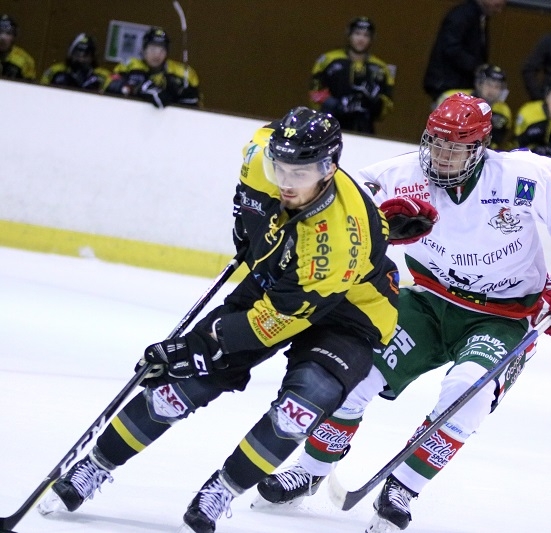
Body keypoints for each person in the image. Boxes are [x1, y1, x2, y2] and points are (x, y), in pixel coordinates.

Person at [36, 107, 401, 533]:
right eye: (279, 167)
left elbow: (276, 319)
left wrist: (195, 345)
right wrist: (247, 232)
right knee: (177, 387)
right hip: (283, 277)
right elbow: (247, 193)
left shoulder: (337, 243)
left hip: (350, 312)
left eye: (298, 173)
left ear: (327, 168)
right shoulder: (259, 152)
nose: (285, 180)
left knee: (299, 408)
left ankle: (223, 490)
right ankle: (95, 465)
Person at [252, 93, 551, 532]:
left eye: (455, 147)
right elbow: (337, 206)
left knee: (465, 393)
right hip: (427, 300)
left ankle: (403, 485)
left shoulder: (522, 176)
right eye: (436, 142)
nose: (442, 155)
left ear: (480, 147)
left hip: (504, 317)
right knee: (355, 374)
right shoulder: (398, 176)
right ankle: (310, 470)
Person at [309, 16, 395, 134]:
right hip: (329, 125)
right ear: (349, 35)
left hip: (364, 128)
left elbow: (387, 106)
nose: (361, 39)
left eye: (366, 35)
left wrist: (375, 102)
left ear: (372, 38)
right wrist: (336, 105)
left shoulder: (381, 68)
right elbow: (315, 92)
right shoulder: (328, 60)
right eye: (357, 33)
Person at [422, 0, 506, 102]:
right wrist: (478, 68)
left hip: (461, 84)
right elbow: (451, 48)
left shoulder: (479, 17)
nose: (499, 11)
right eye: (497, 5)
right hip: (449, 84)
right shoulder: (462, 15)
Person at [106, 26, 200, 108]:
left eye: (162, 50)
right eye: (152, 49)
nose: (156, 55)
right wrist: (138, 88)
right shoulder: (130, 65)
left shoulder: (182, 72)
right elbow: (108, 84)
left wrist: (181, 95)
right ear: (143, 50)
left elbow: (198, 104)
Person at [436, 63, 513, 150]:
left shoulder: (504, 111)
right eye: (489, 84)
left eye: (497, 87)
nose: (492, 90)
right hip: (448, 148)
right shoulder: (453, 97)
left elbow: (496, 142)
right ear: (479, 83)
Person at [40, 33, 111, 92]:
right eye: (77, 54)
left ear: (92, 57)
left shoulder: (103, 76)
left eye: (86, 55)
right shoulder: (55, 71)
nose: (81, 59)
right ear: (71, 54)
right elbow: (41, 90)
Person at [0, 14, 35, 80]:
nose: (2, 37)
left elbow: (29, 86)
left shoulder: (25, 60)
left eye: (8, 33)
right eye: (0, 32)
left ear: (14, 37)